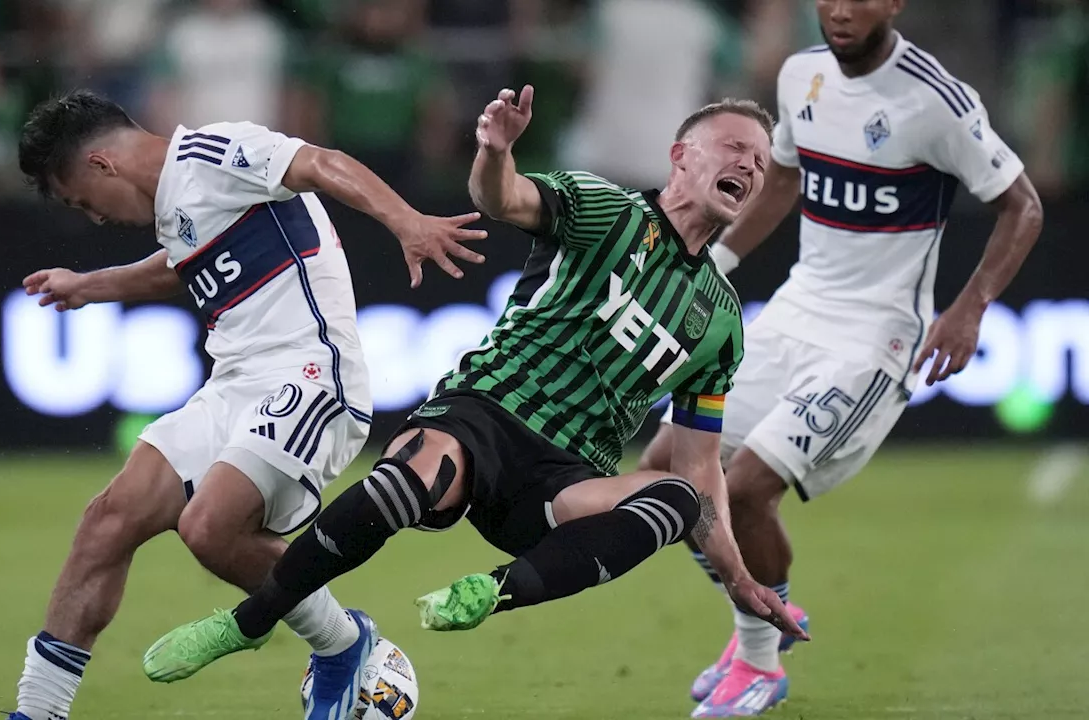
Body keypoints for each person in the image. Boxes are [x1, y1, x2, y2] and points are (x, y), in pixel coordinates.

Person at [140, 86, 810, 702]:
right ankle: (247, 621)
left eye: (759, 160)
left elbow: (698, 462)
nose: (750, 166)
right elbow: (506, 198)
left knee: (678, 500)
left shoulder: (721, 321)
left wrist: (740, 579)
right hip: (485, 412)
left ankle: (492, 592)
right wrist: (495, 151)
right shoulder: (607, 209)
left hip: (563, 477)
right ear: (681, 156)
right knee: (410, 483)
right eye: (733, 148)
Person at [3, 89, 488, 720]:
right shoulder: (178, 207)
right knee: (108, 520)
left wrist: (407, 221)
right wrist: (89, 286)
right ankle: (37, 713)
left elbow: (320, 162)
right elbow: (178, 266)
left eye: (80, 201)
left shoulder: (210, 152)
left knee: (209, 528)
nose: (93, 217)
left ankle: (343, 644)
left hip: (312, 375)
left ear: (100, 165)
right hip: (234, 384)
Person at [637, 1, 1045, 716]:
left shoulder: (936, 100)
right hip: (798, 310)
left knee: (747, 486)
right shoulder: (801, 77)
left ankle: (759, 663)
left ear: (892, 3)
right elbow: (788, 178)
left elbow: (1024, 205)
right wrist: (715, 262)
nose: (840, 8)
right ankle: (764, 618)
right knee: (667, 467)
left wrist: (970, 306)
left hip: (874, 339)